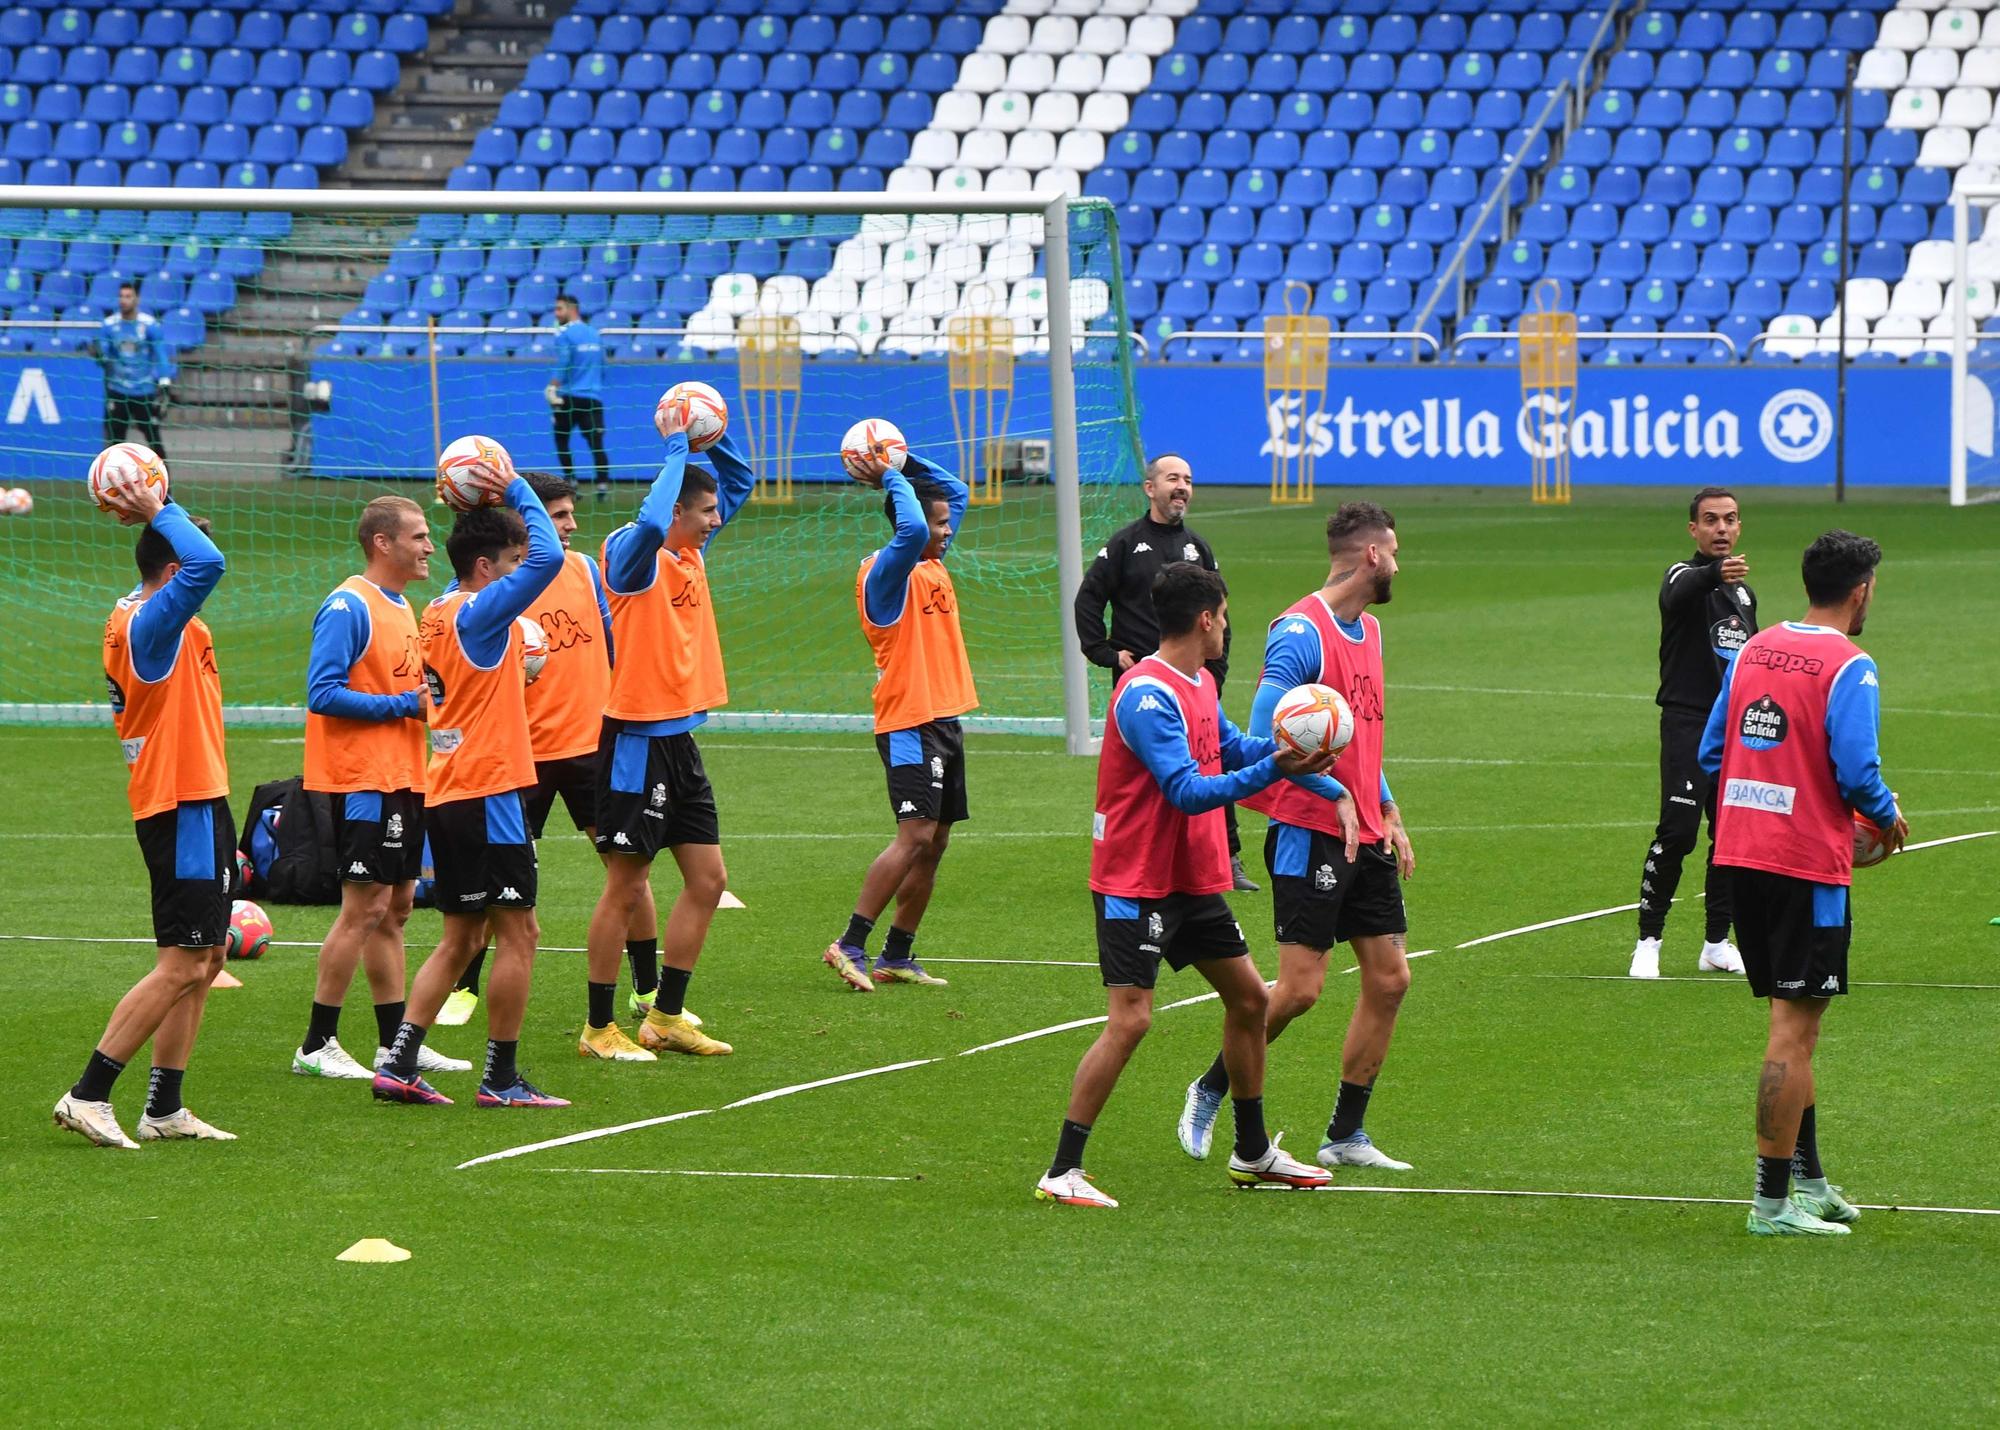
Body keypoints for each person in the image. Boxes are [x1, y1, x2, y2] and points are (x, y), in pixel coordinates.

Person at [1036, 563, 1354, 1208]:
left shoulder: (1201, 681)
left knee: (1247, 1001)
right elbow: (1185, 790)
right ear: (1206, 618)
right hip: (1136, 882)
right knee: (1130, 1022)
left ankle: (1253, 1152)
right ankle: (1062, 1169)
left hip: (1188, 880)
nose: (1227, 627)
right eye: (1226, 616)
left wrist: (1329, 784)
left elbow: (1234, 749)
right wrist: (1274, 767)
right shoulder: (1146, 694)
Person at [1176, 502, 1419, 1173]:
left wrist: (1387, 806)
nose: (1398, 563)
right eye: (1393, 551)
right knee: (1301, 989)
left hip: (1363, 827)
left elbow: (1355, 736)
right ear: (1371, 555)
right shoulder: (1299, 633)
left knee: (1391, 979)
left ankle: (1345, 1133)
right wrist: (1333, 793)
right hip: (1309, 830)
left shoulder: (1368, 630)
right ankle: (1211, 1087)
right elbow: (1265, 738)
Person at [1700, 530, 1905, 1236]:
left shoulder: (1753, 649)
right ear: (1861, 590)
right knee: (1793, 1029)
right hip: (1806, 867)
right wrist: (1886, 817)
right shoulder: (1851, 665)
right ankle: (1769, 1205)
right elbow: (1857, 770)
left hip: (1741, 857)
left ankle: (1808, 1180)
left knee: (1798, 1025)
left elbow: (1712, 748)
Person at [371, 466, 566, 1108]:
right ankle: (501, 1078)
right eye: (510, 562)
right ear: (485, 568)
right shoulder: (481, 615)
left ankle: (397, 1063)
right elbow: (552, 556)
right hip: (489, 793)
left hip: (452, 792)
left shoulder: (440, 611)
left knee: (463, 938)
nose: (521, 572)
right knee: (520, 934)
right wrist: (510, 485)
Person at [54, 482, 234, 1146]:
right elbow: (208, 565)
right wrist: (158, 508)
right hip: (178, 802)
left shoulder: (169, 618)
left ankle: (164, 1108)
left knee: (208, 956)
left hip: (201, 796)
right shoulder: (150, 622)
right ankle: (88, 1093)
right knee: (183, 961)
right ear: (173, 566)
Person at [584, 403, 752, 1058]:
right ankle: (599, 1027)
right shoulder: (636, 555)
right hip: (634, 741)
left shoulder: (687, 554)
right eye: (705, 514)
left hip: (679, 739)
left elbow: (737, 483)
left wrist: (716, 432)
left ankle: (666, 1016)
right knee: (625, 887)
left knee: (707, 880)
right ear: (679, 512)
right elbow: (654, 517)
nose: (717, 522)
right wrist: (677, 446)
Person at [292, 497, 470, 1082]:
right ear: (382, 544)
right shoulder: (348, 606)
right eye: (418, 537)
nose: (428, 546)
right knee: (363, 908)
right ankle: (317, 1043)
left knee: (394, 910)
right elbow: (322, 692)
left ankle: (397, 1045)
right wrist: (405, 705)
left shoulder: (402, 607)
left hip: (402, 774)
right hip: (361, 778)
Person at [821, 446, 975, 992]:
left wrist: (906, 462)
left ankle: (897, 954)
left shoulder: (931, 563)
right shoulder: (888, 571)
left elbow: (954, 491)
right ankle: (850, 943)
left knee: (936, 842)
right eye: (939, 525)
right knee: (913, 835)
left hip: (944, 718)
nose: (948, 530)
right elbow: (911, 529)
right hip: (908, 720)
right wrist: (889, 475)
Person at [1073, 453, 1256, 892]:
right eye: (1173, 478)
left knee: (1209, 762)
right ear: (1149, 488)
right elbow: (1088, 599)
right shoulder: (1124, 544)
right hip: (1145, 684)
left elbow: (1220, 614)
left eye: (1189, 480)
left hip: (1195, 680)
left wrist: (1214, 673)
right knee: (1151, 777)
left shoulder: (1198, 547)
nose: (1182, 487)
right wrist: (1105, 653)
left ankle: (1226, 857)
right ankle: (1141, 860)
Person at [1629, 487, 1758, 979]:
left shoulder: (1744, 594)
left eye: (1729, 519)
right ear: (1694, 530)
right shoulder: (1683, 575)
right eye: (1711, 520)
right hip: (1687, 721)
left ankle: (1716, 943)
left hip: (1731, 729)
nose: (1721, 528)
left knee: (1729, 836)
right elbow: (1679, 594)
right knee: (1678, 831)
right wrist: (1712, 574)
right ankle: (1648, 940)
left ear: (1739, 526)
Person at [98, 282, 172, 458]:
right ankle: (114, 484)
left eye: (128, 296)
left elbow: (161, 354)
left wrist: (164, 381)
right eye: (121, 296)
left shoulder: (149, 325)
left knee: (154, 440)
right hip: (118, 390)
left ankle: (164, 484)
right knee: (115, 444)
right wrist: (100, 355)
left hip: (143, 391)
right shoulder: (109, 326)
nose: (123, 300)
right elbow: (104, 356)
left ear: (136, 299)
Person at [549, 294, 609, 501]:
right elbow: (603, 366)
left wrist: (553, 385)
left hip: (569, 396)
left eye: (559, 309)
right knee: (596, 441)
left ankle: (571, 482)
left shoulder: (563, 334)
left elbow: (565, 362)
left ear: (571, 309)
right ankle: (602, 485)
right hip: (592, 397)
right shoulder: (595, 334)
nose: (556, 314)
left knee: (561, 439)